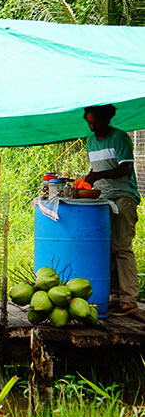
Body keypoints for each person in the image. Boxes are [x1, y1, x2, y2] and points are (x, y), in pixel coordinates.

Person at [84, 104, 141, 317]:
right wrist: (89, 178)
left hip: (123, 197)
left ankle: (129, 299)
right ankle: (114, 297)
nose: (93, 127)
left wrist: (98, 177)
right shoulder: (91, 142)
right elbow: (98, 169)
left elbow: (124, 168)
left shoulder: (120, 138)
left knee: (122, 247)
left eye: (96, 122)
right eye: (89, 122)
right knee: (107, 248)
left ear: (107, 119)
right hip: (104, 199)